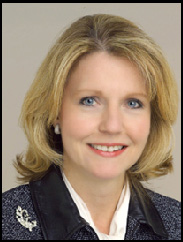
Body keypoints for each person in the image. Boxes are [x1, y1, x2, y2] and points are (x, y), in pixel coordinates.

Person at [2, 14, 181, 240]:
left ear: (152, 119)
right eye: (89, 101)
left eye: (133, 103)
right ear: (55, 111)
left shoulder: (176, 223)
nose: (112, 126)